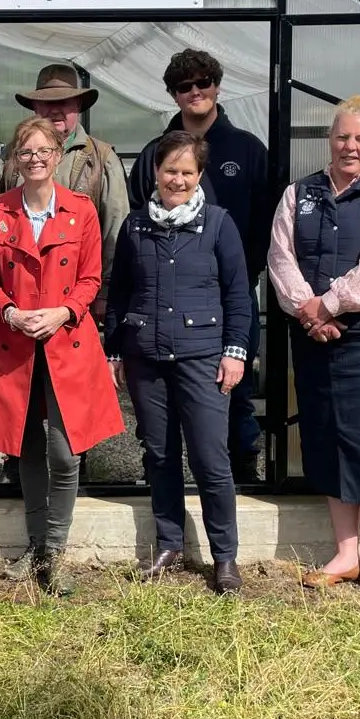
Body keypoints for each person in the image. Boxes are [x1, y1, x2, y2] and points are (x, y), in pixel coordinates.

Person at [267, 95, 360, 603]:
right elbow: (280, 257)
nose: (350, 146)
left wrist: (328, 306)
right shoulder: (299, 194)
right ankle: (344, 555)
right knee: (329, 436)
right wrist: (307, 311)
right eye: (342, 136)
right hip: (316, 337)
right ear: (328, 140)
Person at [0, 116, 124, 595]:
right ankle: (37, 548)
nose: (35, 159)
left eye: (43, 151)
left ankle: (55, 550)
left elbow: (91, 278)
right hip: (16, 343)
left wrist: (62, 311)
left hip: (67, 342)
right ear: (14, 161)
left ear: (59, 156)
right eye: (25, 153)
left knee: (64, 449)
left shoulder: (81, 211)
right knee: (24, 445)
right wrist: (12, 312)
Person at [106, 131, 253, 593]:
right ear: (155, 172)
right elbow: (120, 292)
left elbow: (237, 293)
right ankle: (169, 544)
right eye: (171, 170)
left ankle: (224, 557)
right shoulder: (135, 227)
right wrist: (114, 349)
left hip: (202, 358)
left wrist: (235, 352)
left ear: (200, 176)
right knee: (160, 454)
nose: (178, 179)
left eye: (188, 172)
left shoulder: (218, 224)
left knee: (211, 458)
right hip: (146, 356)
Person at [128, 49, 270, 483]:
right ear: (173, 94)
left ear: (217, 85)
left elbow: (267, 220)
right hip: (164, 298)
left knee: (234, 385)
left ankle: (239, 471)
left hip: (230, 294)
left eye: (203, 82)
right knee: (159, 392)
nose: (195, 91)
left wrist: (243, 275)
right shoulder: (155, 153)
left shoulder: (247, 150)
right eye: (185, 86)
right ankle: (161, 478)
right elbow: (137, 220)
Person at [0, 63, 129, 315]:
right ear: (34, 108)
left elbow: (115, 232)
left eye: (64, 102)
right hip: (19, 299)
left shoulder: (102, 157)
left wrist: (106, 292)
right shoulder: (10, 156)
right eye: (46, 103)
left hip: (81, 297)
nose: (55, 110)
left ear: (78, 106)